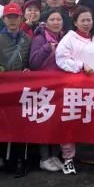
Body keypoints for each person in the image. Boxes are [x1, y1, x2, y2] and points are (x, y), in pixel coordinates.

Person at [55, 7, 94, 176]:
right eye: (82, 20)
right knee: (70, 123)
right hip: (73, 89)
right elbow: (61, 59)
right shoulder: (69, 39)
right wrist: (81, 66)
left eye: (89, 20)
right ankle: (68, 159)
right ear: (75, 22)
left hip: (93, 90)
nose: (86, 23)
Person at [0, 3, 33, 178]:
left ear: (21, 19)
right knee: (8, 124)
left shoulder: (27, 39)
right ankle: (9, 160)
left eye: (16, 17)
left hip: (24, 89)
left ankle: (22, 161)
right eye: (9, 17)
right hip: (5, 89)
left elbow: (31, 61)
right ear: (3, 20)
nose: (12, 21)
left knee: (24, 124)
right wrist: (3, 74)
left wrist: (29, 70)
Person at [27, 11, 67, 173]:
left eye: (59, 19)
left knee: (58, 123)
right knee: (44, 122)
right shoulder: (39, 38)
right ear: (46, 22)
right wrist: (46, 49)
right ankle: (44, 158)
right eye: (52, 19)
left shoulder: (64, 39)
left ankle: (54, 155)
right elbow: (34, 64)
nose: (56, 22)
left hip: (60, 86)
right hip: (43, 88)